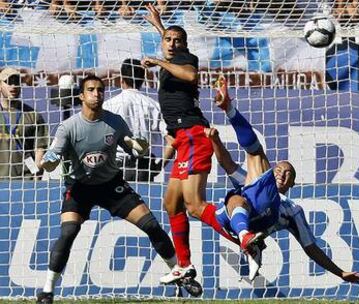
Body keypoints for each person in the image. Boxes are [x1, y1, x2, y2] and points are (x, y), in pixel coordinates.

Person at [36, 75, 202, 304]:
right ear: (81, 96)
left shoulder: (114, 121)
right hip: (79, 187)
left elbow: (133, 147)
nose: (97, 93)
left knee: (152, 225)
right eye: (91, 90)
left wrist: (138, 147)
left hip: (111, 185)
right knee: (68, 232)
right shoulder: (69, 126)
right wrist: (48, 161)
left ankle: (180, 273)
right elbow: (54, 154)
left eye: (100, 89)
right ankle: (47, 290)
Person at [209, 76, 359, 284]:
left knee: (253, 161)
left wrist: (340, 273)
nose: (281, 174)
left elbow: (310, 247)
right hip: (228, 223)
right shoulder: (251, 181)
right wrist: (215, 140)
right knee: (223, 198)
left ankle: (249, 242)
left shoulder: (292, 210)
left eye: (288, 174)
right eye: (279, 169)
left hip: (251, 221)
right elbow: (227, 164)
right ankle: (248, 244)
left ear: (292, 184)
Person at [141, 3, 240, 285]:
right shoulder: (172, 53)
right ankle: (184, 265)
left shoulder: (187, 60)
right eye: (167, 40)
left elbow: (190, 76)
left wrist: (159, 61)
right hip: (182, 140)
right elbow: (169, 45)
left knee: (194, 205)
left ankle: (244, 237)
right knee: (172, 203)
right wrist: (159, 24)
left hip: (194, 134)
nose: (171, 44)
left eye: (177, 40)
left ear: (184, 45)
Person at [103, 58, 164, 182]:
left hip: (116, 166)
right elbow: (173, 141)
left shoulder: (108, 105)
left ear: (121, 79)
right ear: (143, 80)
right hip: (144, 168)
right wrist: (159, 165)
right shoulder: (154, 105)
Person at [0, 67, 48, 180]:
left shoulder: (32, 115)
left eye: (16, 82)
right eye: (8, 82)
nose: (13, 86)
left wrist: (36, 177)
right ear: (0, 85)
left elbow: (40, 149)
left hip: (25, 181)